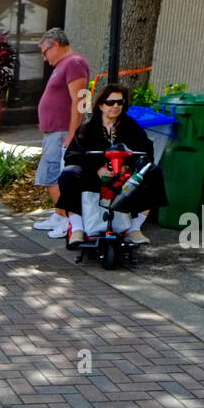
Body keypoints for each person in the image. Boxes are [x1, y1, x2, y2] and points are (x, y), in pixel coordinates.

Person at [56, 83, 167, 246]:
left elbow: (145, 151)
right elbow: (73, 155)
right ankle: (78, 228)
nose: (115, 106)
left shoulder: (131, 126)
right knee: (69, 174)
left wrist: (127, 167)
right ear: (101, 104)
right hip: (93, 176)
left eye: (120, 102)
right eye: (110, 102)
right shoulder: (87, 128)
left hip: (124, 175)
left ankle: (134, 229)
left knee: (154, 172)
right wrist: (97, 169)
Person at [32, 28, 90, 238]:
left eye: (44, 51)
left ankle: (67, 220)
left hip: (62, 132)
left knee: (51, 176)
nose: (44, 58)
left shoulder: (74, 63)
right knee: (51, 175)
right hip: (54, 131)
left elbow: (81, 100)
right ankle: (59, 214)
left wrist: (73, 133)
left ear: (55, 44)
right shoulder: (63, 65)